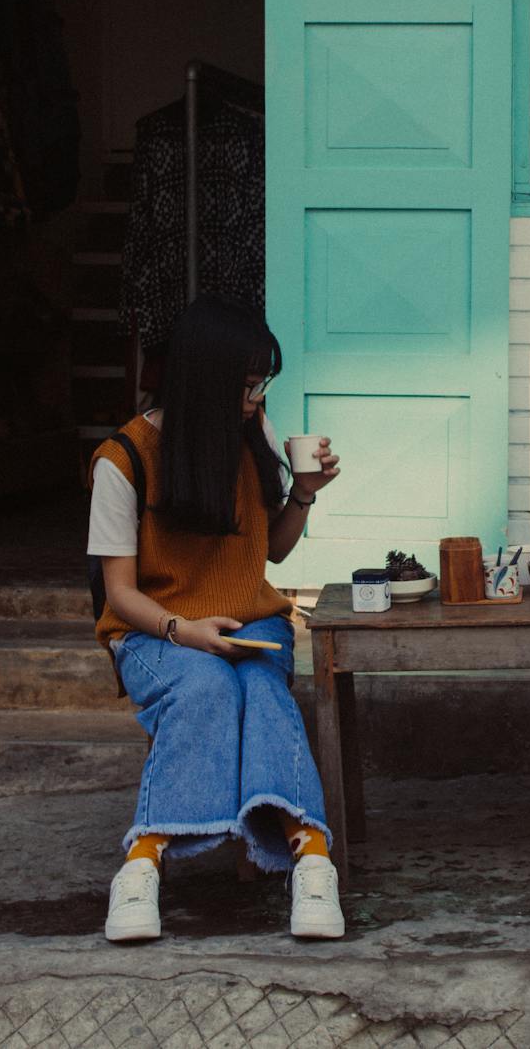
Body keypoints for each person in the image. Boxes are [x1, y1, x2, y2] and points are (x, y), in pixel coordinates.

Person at [87, 295, 343, 942]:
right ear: (206, 379)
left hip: (249, 622)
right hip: (153, 629)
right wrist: (185, 631)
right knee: (204, 684)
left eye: (263, 383)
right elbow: (119, 593)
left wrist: (304, 495)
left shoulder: (251, 436)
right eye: (249, 382)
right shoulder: (124, 460)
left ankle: (312, 859)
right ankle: (141, 867)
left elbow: (274, 549)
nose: (258, 396)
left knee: (258, 685)